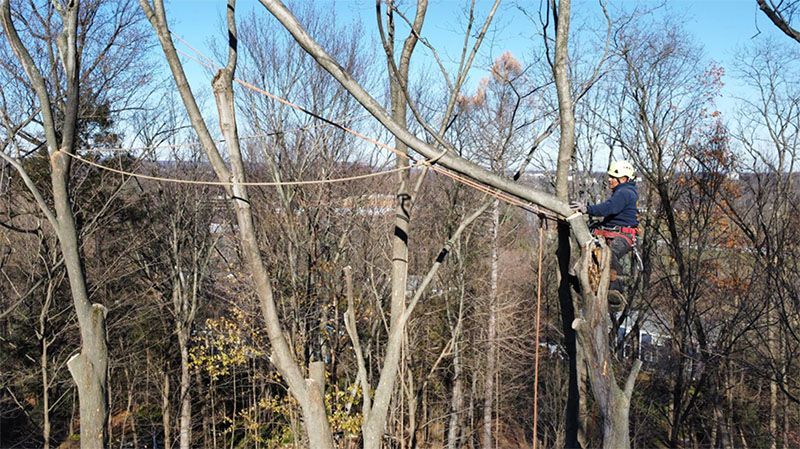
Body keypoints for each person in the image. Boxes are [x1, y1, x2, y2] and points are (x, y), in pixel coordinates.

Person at [570, 160, 639, 310]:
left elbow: (609, 208)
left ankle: (616, 291)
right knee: (591, 255)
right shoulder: (622, 192)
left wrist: (587, 209)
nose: (609, 180)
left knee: (609, 254)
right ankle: (580, 282)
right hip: (614, 232)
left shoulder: (625, 192)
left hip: (623, 236)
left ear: (624, 179)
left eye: (613, 177)